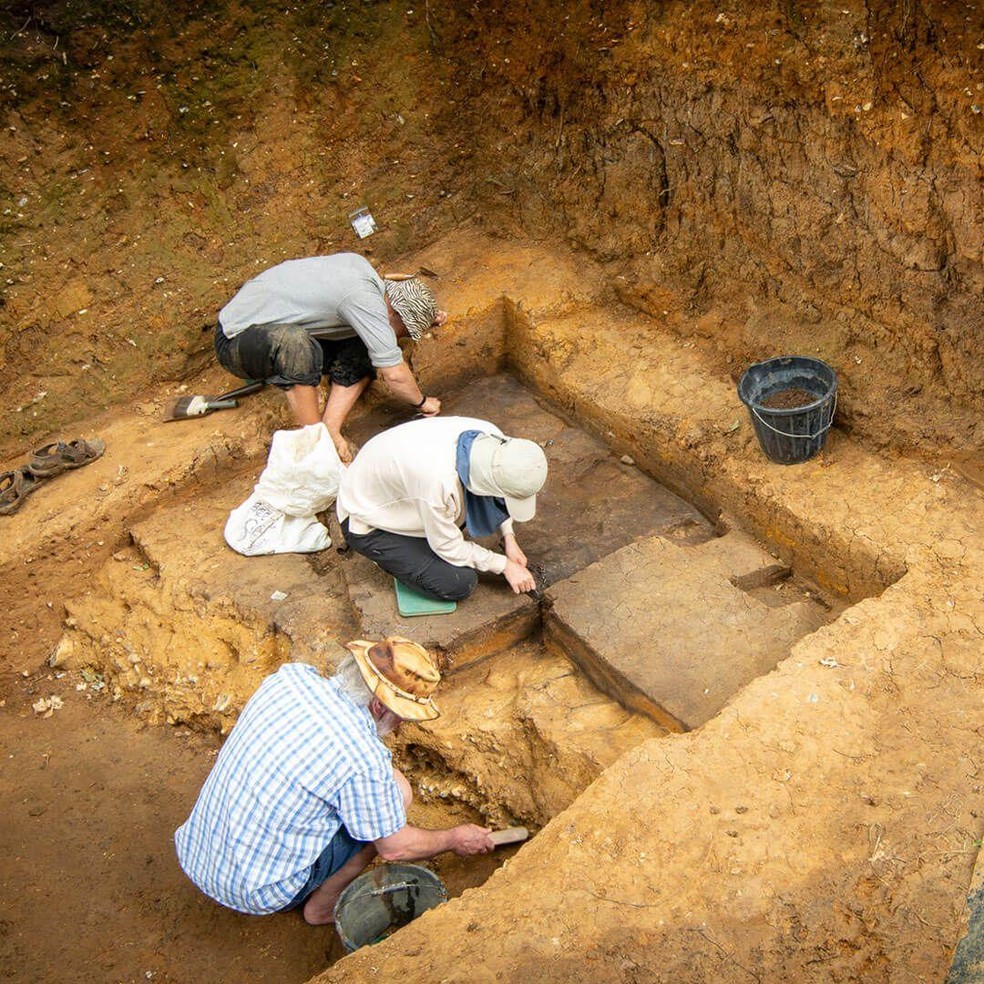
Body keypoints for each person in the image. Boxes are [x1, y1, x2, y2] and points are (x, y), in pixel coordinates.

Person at [174, 637, 494, 926]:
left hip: (198, 853)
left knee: (388, 788)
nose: (399, 725)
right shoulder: (361, 758)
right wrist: (453, 838)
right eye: (401, 715)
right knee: (389, 807)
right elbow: (395, 849)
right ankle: (322, 908)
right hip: (261, 890)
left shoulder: (290, 678)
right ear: (379, 705)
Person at [214, 254, 447, 462]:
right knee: (297, 345)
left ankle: (330, 429)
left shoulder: (365, 277)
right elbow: (394, 373)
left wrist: (425, 315)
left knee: (365, 345)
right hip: (237, 341)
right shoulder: (363, 302)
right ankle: (318, 447)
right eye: (404, 331)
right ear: (393, 312)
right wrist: (422, 402)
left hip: (270, 326)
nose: (399, 337)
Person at [336, 416, 548, 601]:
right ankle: (390, 555)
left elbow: (499, 491)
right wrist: (504, 565)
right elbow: (447, 546)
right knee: (457, 582)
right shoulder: (437, 483)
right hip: (366, 520)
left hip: (403, 492)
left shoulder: (492, 439)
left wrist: (508, 537)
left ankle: (419, 543)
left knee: (454, 519)